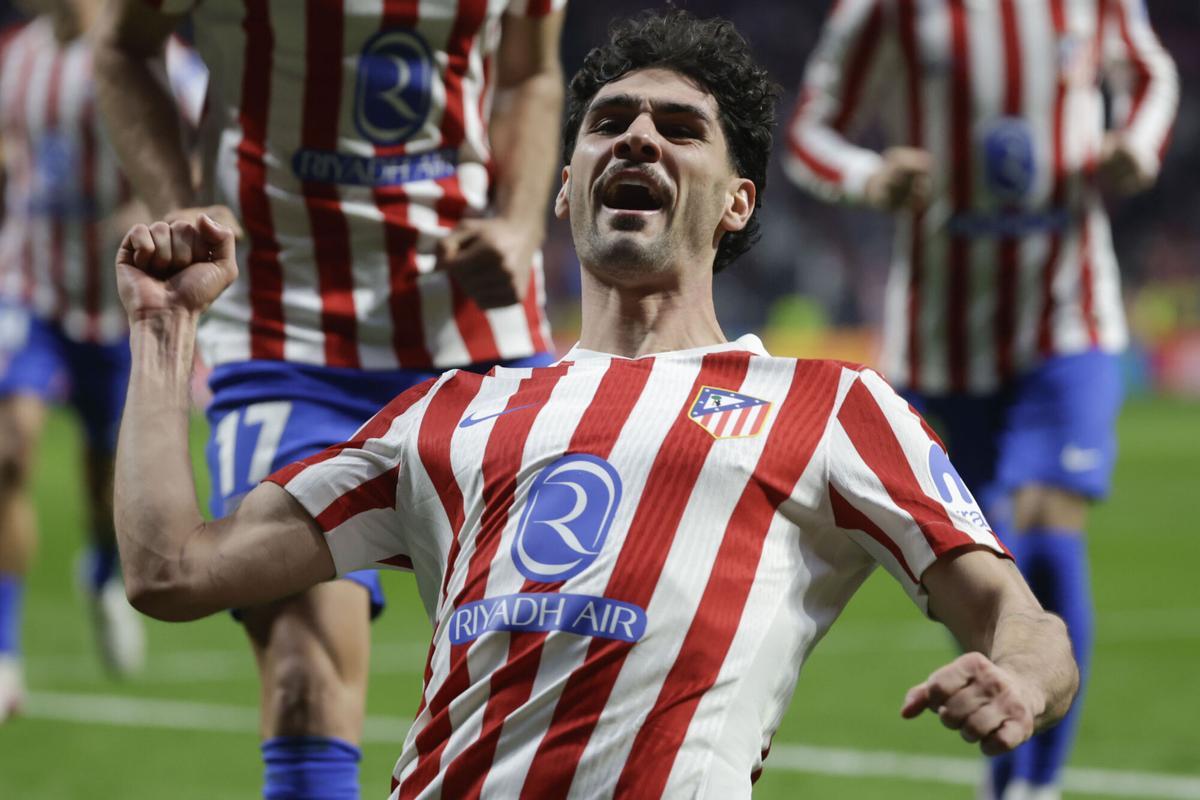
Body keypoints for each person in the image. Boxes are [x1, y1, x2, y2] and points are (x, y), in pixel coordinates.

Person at [112, 10, 1079, 797]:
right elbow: (171, 570)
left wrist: (1021, 681)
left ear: (738, 203)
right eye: (610, 123)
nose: (640, 138)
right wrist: (162, 334)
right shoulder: (447, 415)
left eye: (679, 127)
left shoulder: (829, 407)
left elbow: (1026, 623)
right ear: (566, 187)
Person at [94, 0, 566, 796]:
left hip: (478, 329)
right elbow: (121, 50)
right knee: (303, 683)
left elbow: (528, 70)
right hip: (283, 336)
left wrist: (519, 225)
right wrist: (181, 198)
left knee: (550, 669)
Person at [784, 1, 1179, 798]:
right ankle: (1014, 777)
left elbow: (1150, 75)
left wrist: (1136, 147)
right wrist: (870, 175)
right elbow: (807, 132)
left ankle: (1031, 787)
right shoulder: (884, 11)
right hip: (939, 339)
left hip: (1069, 316)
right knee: (986, 561)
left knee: (1044, 516)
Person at [0, 0, 205, 719]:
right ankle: (4, 655)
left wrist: (165, 200)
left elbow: (213, 136)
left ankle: (101, 566)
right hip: (30, 289)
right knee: (11, 452)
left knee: (104, 473)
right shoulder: (18, 58)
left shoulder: (158, 59)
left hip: (123, 304)